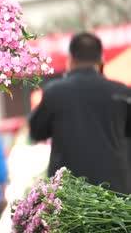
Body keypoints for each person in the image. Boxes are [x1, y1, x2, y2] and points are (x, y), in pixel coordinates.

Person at [29, 32, 131, 194]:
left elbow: (36, 131)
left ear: (70, 59)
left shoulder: (54, 92)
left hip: (70, 195)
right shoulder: (123, 93)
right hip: (116, 193)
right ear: (101, 59)